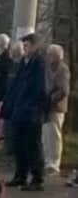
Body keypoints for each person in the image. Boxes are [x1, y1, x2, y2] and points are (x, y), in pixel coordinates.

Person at [6, 33, 48, 191]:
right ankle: (20, 175)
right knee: (19, 144)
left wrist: (32, 106)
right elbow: (17, 86)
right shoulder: (25, 63)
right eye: (23, 46)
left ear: (35, 46)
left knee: (33, 145)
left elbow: (41, 88)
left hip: (32, 111)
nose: (24, 49)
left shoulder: (39, 63)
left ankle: (38, 178)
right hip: (20, 109)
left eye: (27, 46)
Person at [42, 44, 70, 176]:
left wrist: (51, 98)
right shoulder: (48, 67)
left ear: (57, 55)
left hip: (57, 107)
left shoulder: (62, 69)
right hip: (47, 105)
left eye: (50, 54)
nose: (48, 57)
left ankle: (53, 164)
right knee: (46, 135)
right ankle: (46, 160)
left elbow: (63, 90)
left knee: (54, 135)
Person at [0, 41, 24, 156]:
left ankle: (14, 150)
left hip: (17, 101)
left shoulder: (22, 66)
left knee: (14, 128)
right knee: (7, 126)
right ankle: (8, 149)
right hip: (8, 100)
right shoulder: (11, 65)